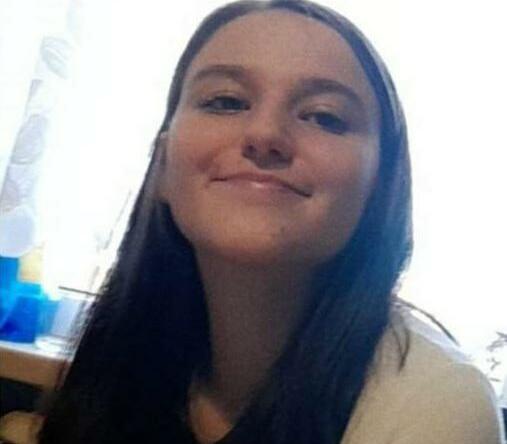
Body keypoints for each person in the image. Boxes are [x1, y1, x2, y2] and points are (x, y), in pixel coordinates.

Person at [36, 1, 504, 443]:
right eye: (225, 101)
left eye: (324, 117)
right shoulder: (121, 359)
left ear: (381, 189)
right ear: (162, 164)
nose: (264, 134)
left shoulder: (436, 404)